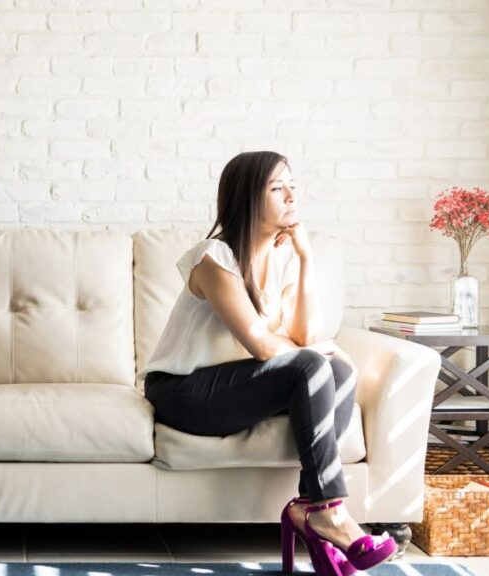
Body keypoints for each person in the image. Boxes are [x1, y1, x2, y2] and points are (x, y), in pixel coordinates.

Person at [140, 151, 395, 576]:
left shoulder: (280, 260)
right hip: (182, 393)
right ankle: (329, 515)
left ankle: (313, 509)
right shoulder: (214, 258)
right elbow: (261, 345)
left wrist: (306, 258)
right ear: (247, 199)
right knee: (313, 364)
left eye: (292, 185)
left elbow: (304, 338)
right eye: (277, 188)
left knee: (339, 370)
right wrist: (312, 353)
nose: (291, 195)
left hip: (236, 389)